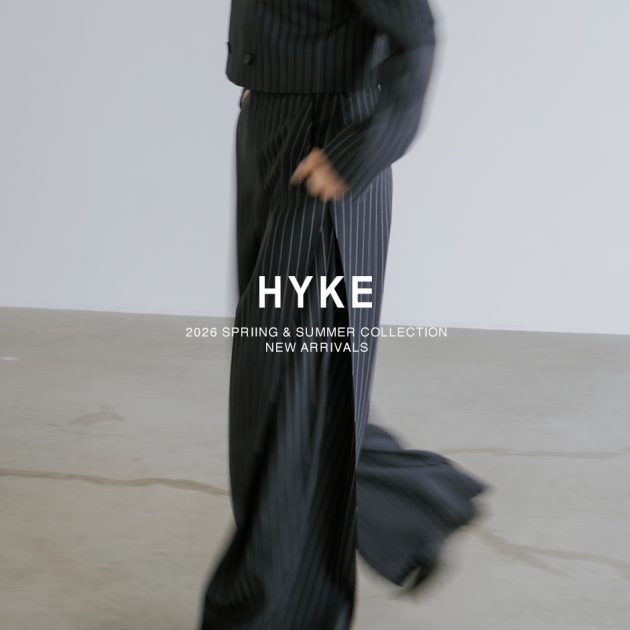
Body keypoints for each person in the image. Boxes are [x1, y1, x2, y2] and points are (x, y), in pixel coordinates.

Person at [199, 1, 487, 628]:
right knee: (288, 379)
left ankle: (272, 612)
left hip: (327, 147)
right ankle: (416, 504)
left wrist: (357, 153)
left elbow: (416, 35)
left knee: (286, 385)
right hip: (273, 124)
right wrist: (263, 77)